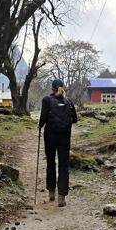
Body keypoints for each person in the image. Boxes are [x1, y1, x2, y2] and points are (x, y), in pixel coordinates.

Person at [38, 78, 77, 207]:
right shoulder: (68, 102)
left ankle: (51, 192)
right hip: (64, 137)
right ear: (62, 87)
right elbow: (75, 119)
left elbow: (43, 118)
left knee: (50, 162)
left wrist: (40, 126)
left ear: (52, 88)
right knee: (63, 165)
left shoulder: (47, 100)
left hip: (50, 136)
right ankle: (62, 197)